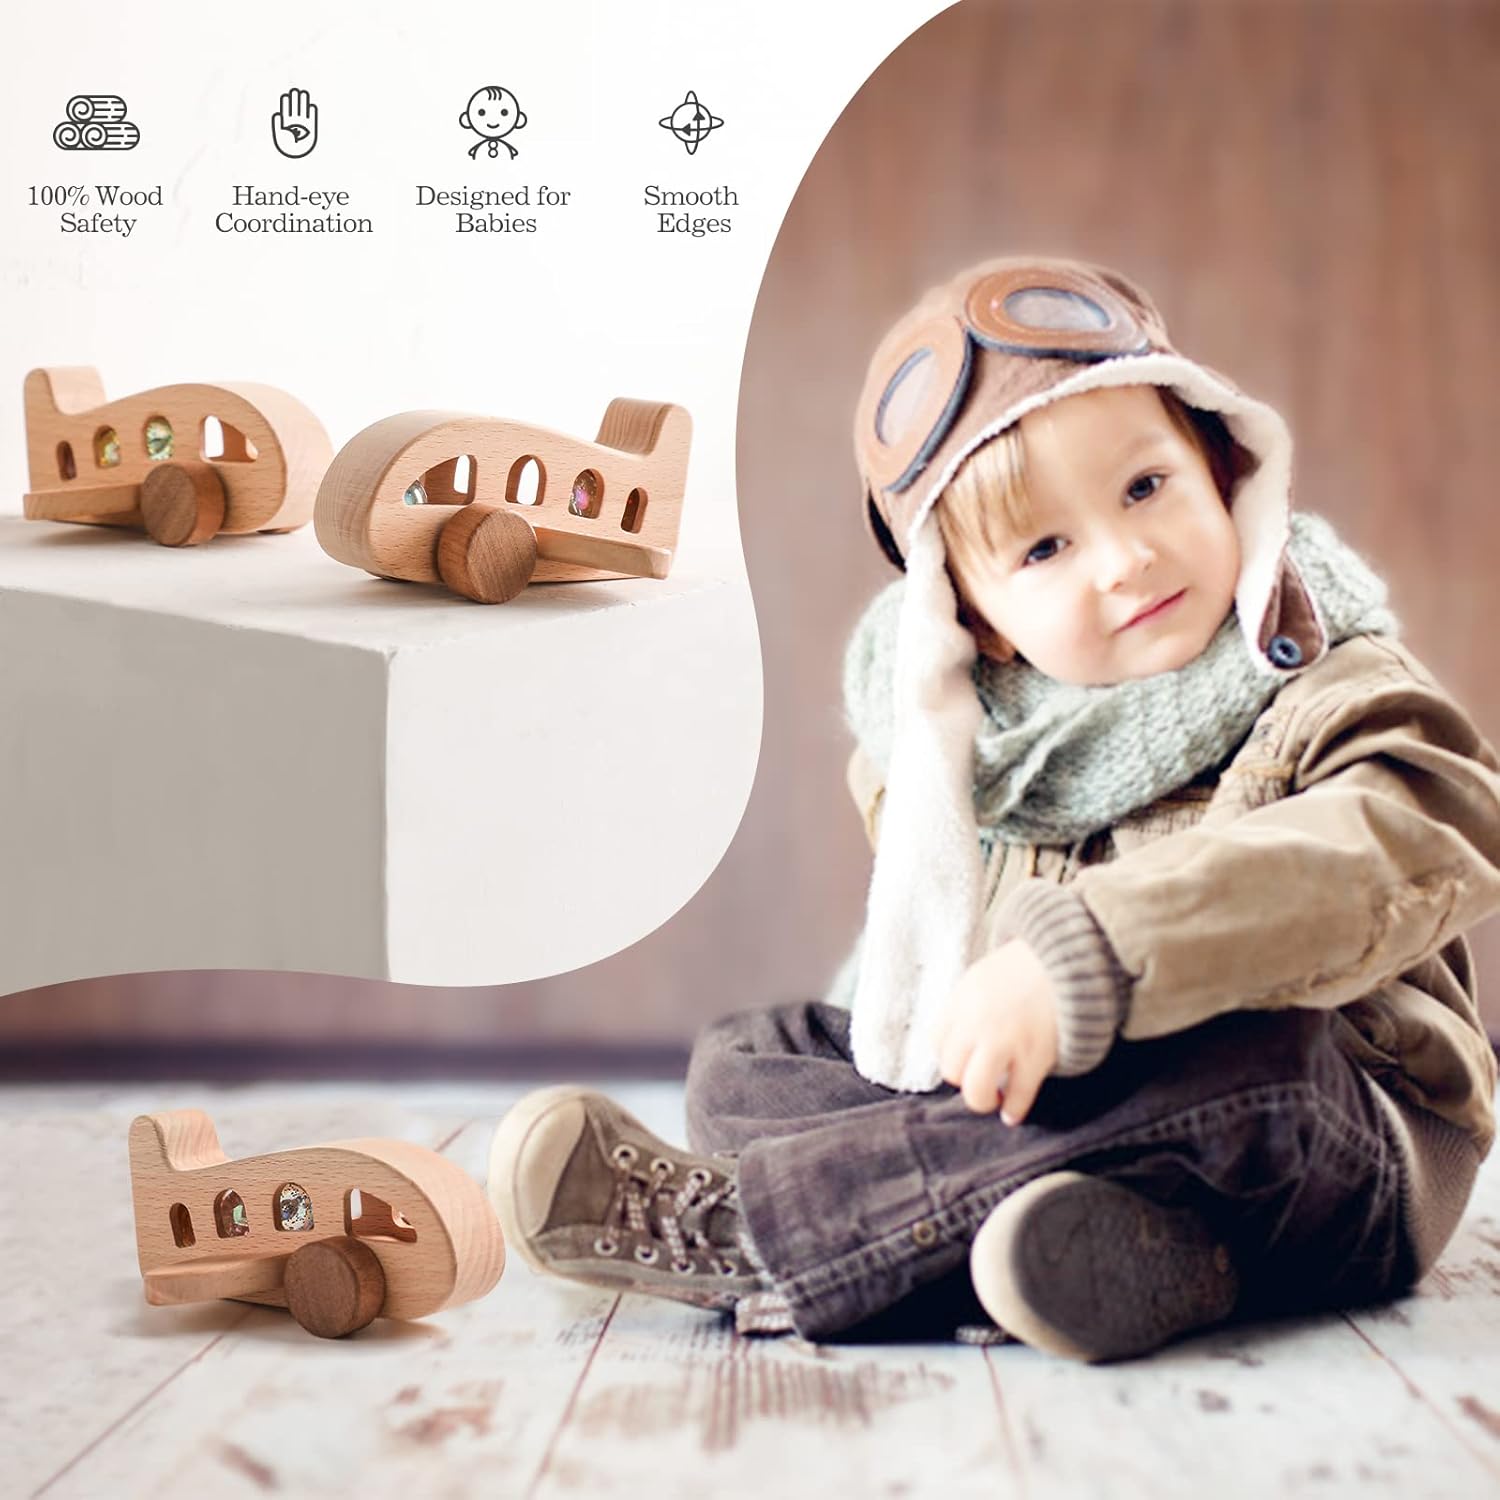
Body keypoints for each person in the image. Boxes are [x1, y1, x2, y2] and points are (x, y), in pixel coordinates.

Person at [488, 257, 1500, 1362]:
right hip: (1101, 1141)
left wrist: (1087, 958)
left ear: (1221, 468)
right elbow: (930, 1008)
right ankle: (1116, 1253)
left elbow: (1422, 831)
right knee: (753, 1059)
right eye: (1047, 548)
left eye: (1146, 487)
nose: (1126, 558)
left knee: (1262, 1055)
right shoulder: (967, 757)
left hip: (1340, 1145)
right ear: (982, 623)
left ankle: (765, 1232)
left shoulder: (1324, 679)